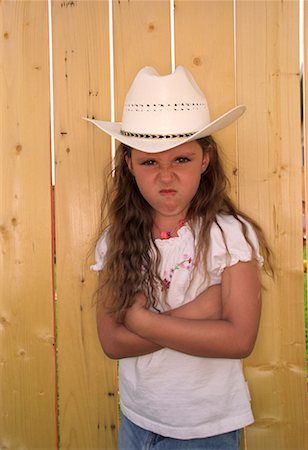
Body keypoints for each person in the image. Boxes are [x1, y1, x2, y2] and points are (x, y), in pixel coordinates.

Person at [87, 66, 273, 450]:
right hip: (137, 420)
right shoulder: (116, 241)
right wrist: (198, 312)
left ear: (205, 159)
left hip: (207, 429)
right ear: (129, 165)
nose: (166, 176)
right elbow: (112, 342)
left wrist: (139, 321)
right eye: (150, 162)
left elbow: (239, 339)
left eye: (182, 160)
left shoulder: (230, 236)